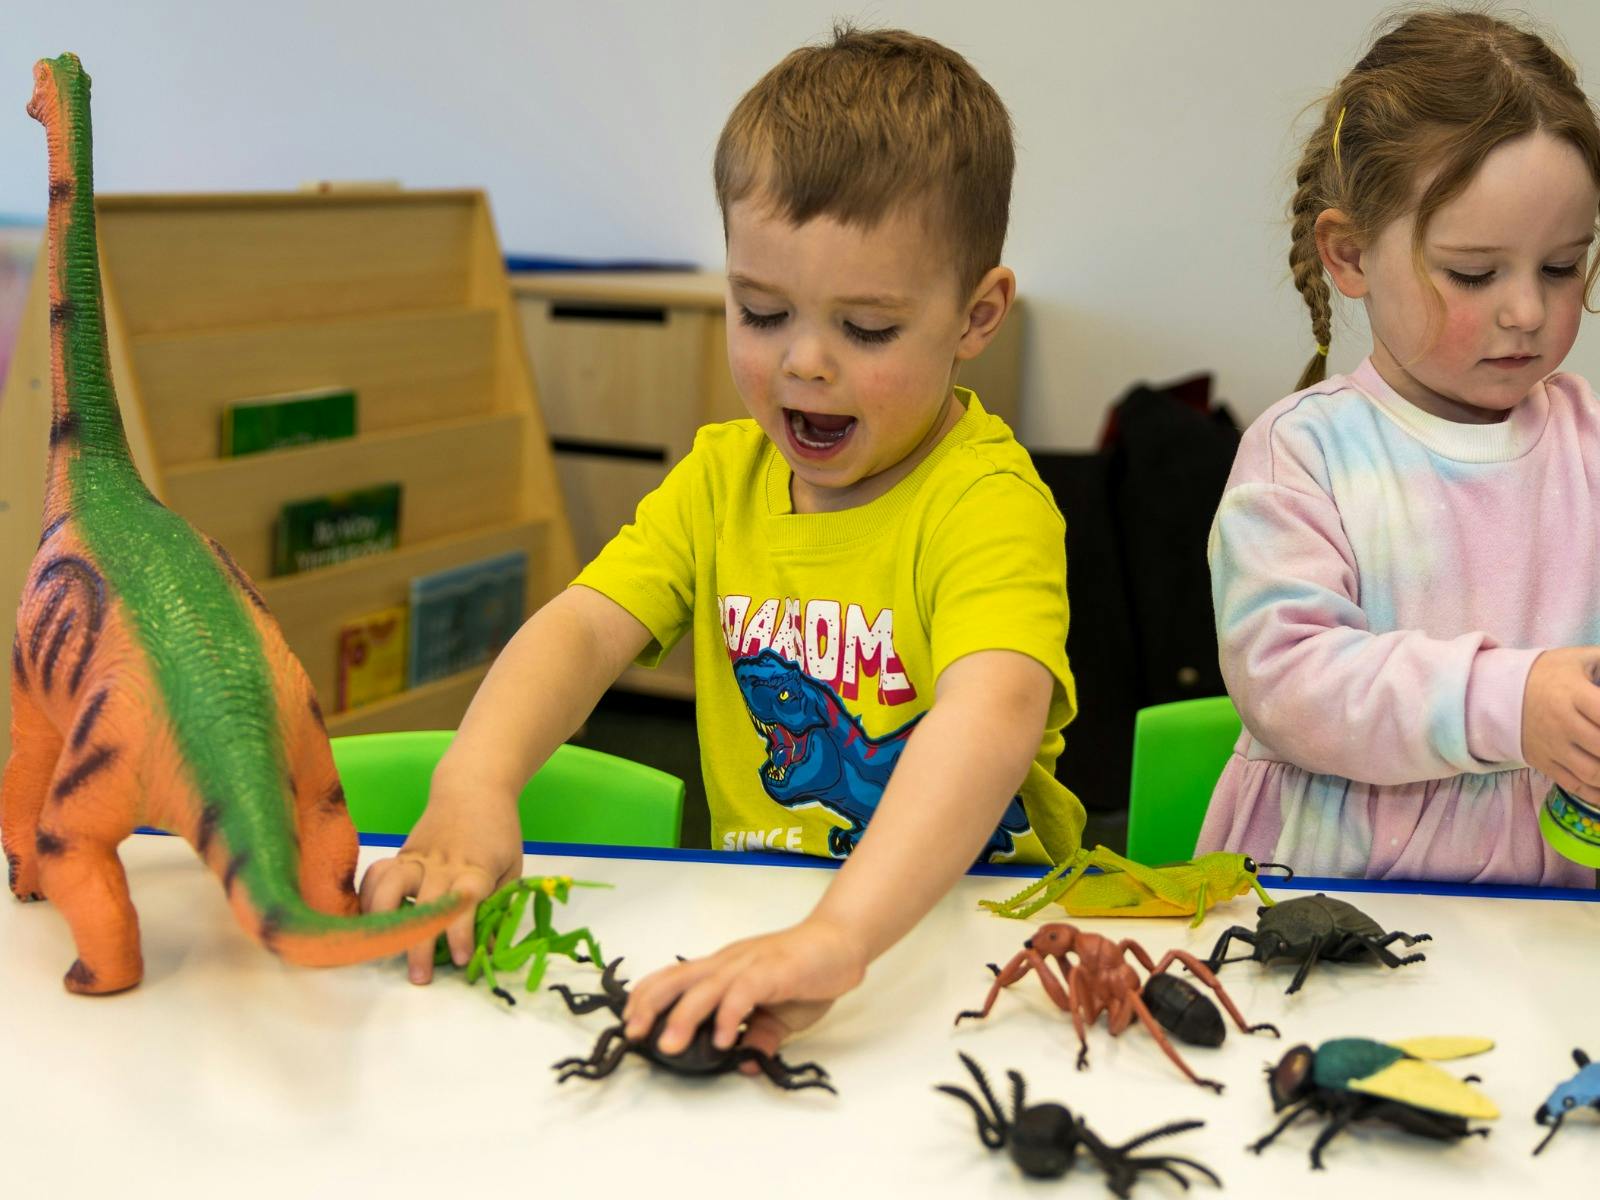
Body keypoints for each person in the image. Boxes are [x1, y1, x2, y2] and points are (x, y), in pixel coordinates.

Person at [361, 25, 1083, 1059]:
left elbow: (993, 713)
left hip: (974, 943)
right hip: (765, 919)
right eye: (760, 310)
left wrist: (840, 935)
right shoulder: (718, 480)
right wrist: (474, 783)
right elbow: (581, 629)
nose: (804, 365)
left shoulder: (986, 502)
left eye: (866, 330)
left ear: (976, 315)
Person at [1196, 7, 1600, 885]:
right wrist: (1509, 701)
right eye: (1474, 272)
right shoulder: (1303, 455)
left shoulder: (1589, 442)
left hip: (1557, 929)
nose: (1527, 310)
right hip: (1335, 907)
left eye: (1563, 266)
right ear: (1349, 256)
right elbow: (1289, 681)